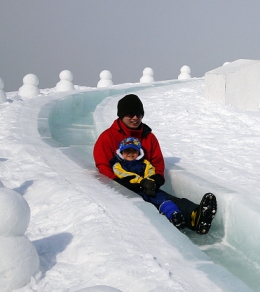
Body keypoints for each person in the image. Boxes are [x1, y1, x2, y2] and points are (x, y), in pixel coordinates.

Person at [93, 94, 217, 234]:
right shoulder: (108, 137)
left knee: (163, 197)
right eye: (130, 114)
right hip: (123, 185)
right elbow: (102, 165)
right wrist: (120, 183)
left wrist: (155, 179)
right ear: (121, 115)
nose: (135, 118)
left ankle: (194, 216)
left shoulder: (148, 137)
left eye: (139, 114)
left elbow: (157, 161)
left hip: (146, 182)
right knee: (152, 202)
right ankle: (173, 220)